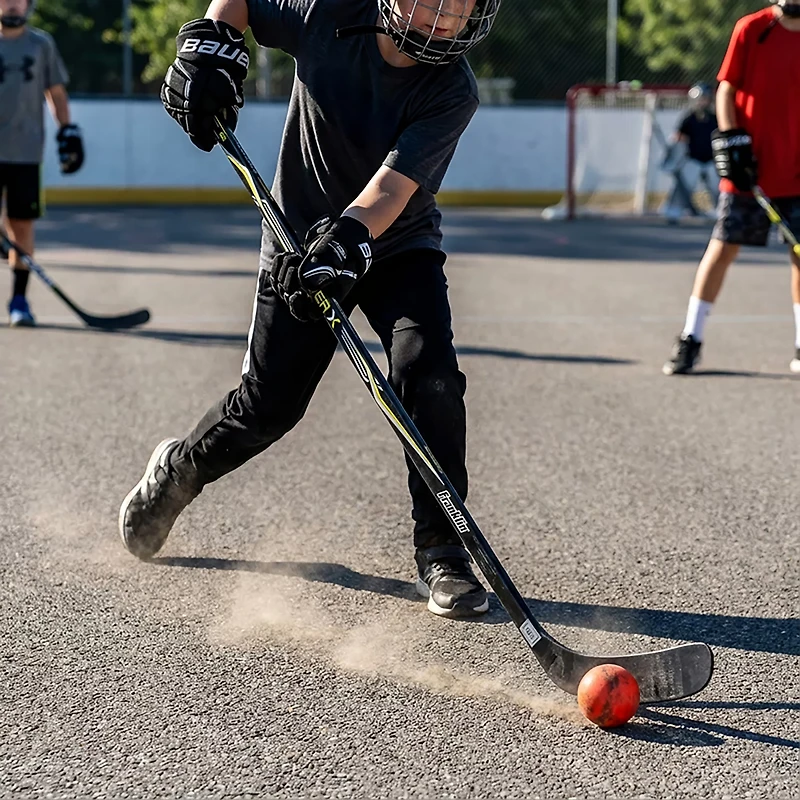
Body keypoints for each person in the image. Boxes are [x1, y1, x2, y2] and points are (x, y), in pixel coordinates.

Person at [119, 0, 503, 619]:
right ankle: (176, 473)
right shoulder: (328, 10)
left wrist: (349, 239)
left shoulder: (452, 90)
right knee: (269, 408)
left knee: (429, 375)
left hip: (392, 244)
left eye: (462, 5)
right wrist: (213, 38)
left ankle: (443, 552)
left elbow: (389, 191)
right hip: (298, 239)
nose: (446, 15)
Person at [663, 0, 800, 375]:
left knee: (799, 256)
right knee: (723, 248)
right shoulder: (751, 29)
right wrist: (731, 139)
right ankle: (691, 338)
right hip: (748, 172)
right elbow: (726, 89)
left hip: (796, 173)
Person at [0, 0, 84, 327]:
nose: (13, 6)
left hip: (25, 153)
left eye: (20, 0)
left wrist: (67, 131)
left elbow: (56, 92)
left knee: (21, 226)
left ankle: (19, 300)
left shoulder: (41, 44)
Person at [661, 82, 719, 224]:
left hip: (712, 160)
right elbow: (679, 136)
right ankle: (673, 211)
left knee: (718, 186)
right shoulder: (689, 118)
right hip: (693, 159)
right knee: (684, 184)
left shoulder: (714, 118)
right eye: (699, 99)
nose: (702, 102)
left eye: (704, 99)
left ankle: (721, 212)